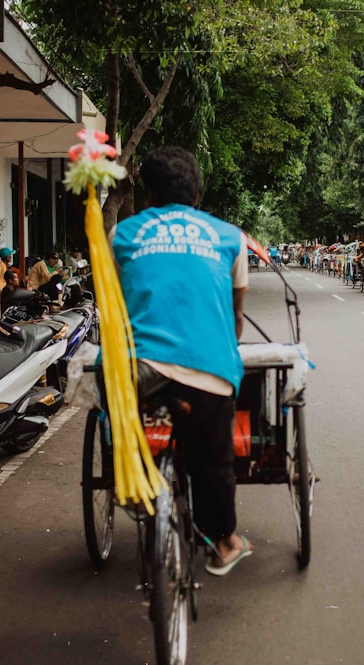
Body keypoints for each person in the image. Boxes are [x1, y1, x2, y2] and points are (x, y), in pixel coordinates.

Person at [110, 145, 251, 576]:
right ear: (198, 192)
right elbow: (235, 316)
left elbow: (116, 304)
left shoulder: (123, 235)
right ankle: (224, 542)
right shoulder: (229, 237)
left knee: (122, 418)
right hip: (208, 372)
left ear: (149, 193)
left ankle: (136, 488)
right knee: (214, 460)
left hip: (139, 371)